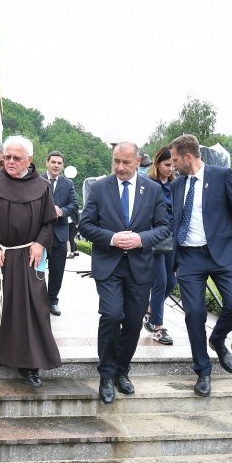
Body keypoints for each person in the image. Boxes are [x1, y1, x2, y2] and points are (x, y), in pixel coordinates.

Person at [0, 135, 60, 389]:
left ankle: (30, 364)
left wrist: (40, 242)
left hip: (27, 256)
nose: (10, 162)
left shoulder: (42, 186)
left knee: (32, 309)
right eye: (7, 157)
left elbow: (49, 221)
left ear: (29, 160)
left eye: (17, 158)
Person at [79, 142, 170, 404]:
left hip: (140, 267)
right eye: (116, 161)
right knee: (111, 314)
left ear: (138, 161)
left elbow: (164, 226)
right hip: (109, 264)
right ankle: (106, 375)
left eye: (126, 162)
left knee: (131, 322)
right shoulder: (99, 187)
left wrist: (141, 239)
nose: (119, 167)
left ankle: (122, 371)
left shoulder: (152, 190)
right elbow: (86, 224)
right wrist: (112, 238)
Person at [169, 134, 232, 397]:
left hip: (223, 253)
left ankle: (217, 339)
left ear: (188, 157)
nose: (172, 165)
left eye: (175, 160)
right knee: (194, 313)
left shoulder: (221, 176)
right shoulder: (176, 186)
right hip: (189, 257)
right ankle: (203, 370)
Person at [143, 146, 176, 345]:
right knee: (160, 282)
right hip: (155, 238)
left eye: (173, 165)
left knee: (172, 282)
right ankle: (158, 327)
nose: (170, 168)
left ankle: (148, 309)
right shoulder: (148, 184)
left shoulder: (175, 184)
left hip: (173, 239)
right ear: (157, 163)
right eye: (166, 164)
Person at [42, 151, 79, 316]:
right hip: (39, 235)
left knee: (57, 271)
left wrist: (61, 211)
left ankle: (53, 301)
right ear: (47, 163)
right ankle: (37, 300)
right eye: (53, 162)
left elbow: (74, 205)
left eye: (59, 163)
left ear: (62, 165)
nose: (56, 165)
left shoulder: (68, 184)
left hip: (60, 234)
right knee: (37, 270)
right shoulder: (37, 180)